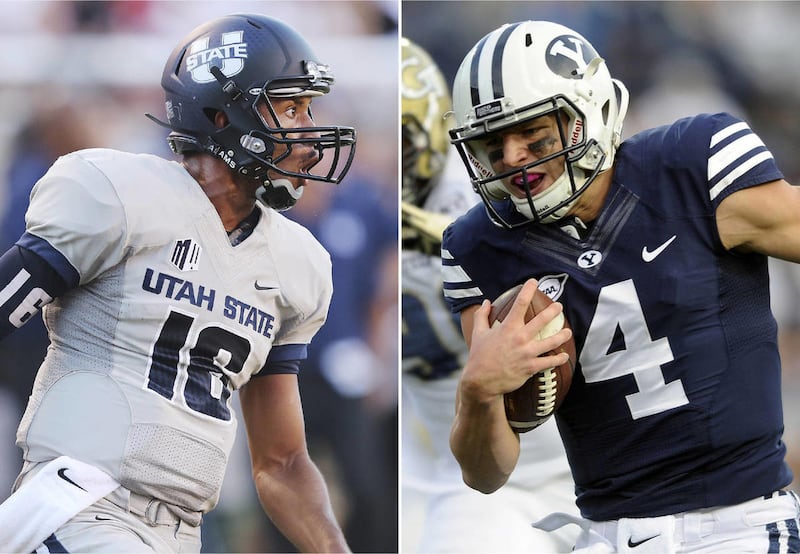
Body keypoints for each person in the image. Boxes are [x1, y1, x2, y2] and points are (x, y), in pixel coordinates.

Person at [0, 13, 356, 553]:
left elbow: (282, 463)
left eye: (309, 109)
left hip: (180, 535)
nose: (308, 131)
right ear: (223, 114)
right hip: (78, 506)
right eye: (290, 108)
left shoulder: (295, 263)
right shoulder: (120, 195)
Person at [442, 19, 800, 553]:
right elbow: (486, 474)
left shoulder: (691, 166)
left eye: (532, 131)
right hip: (609, 536)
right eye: (492, 142)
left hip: (738, 524)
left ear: (590, 111)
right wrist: (478, 390)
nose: (512, 156)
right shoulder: (477, 247)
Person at [400, 37, 578, 553]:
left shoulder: (494, 187)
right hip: (469, 472)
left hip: (590, 448)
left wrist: (419, 230)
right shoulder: (353, 216)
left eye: (402, 144)